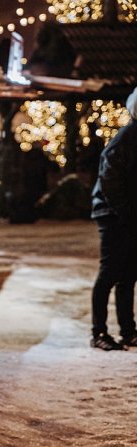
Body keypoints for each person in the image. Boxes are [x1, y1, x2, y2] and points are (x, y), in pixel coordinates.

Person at [90, 87, 137, 350]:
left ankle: (128, 331)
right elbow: (110, 180)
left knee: (128, 274)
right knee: (110, 273)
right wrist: (125, 212)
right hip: (113, 214)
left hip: (125, 214)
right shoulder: (127, 138)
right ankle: (99, 333)